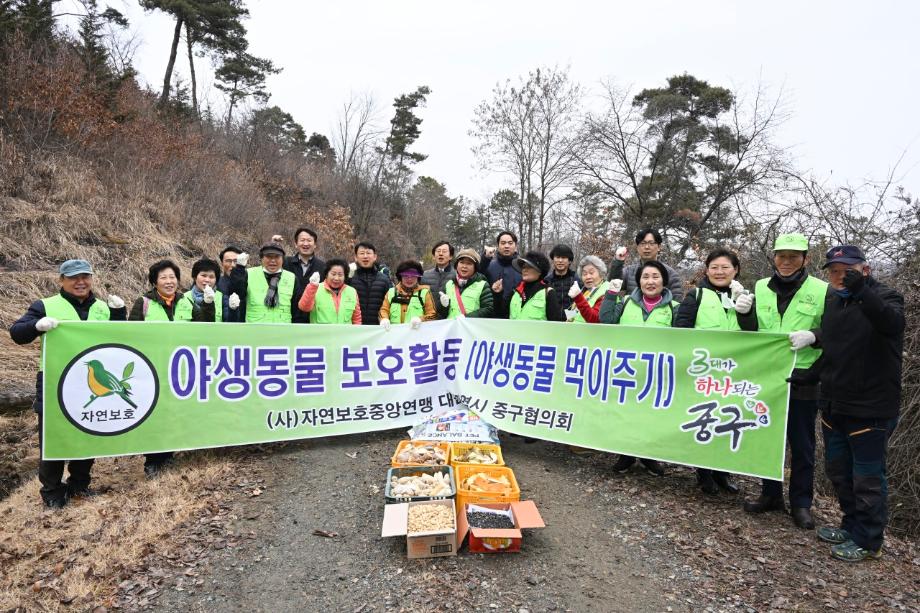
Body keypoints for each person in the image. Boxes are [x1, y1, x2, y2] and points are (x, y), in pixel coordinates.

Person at [806, 245, 903, 562]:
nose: (838, 277)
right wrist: (811, 375)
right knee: (840, 472)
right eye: (833, 271)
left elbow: (891, 323)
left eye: (845, 271)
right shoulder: (834, 302)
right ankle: (850, 525)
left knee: (868, 478)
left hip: (871, 408)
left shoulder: (886, 298)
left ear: (865, 270)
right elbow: (832, 349)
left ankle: (869, 539)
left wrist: (862, 292)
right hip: (835, 404)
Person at [10, 259, 126, 507]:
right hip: (55, 380)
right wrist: (36, 326)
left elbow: (120, 340)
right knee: (53, 436)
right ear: (61, 280)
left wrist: (119, 314)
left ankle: (79, 486)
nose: (80, 282)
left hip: (91, 382)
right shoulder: (45, 306)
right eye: (73, 277)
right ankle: (52, 492)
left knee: (88, 431)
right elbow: (17, 333)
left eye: (85, 276)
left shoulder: (103, 309)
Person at [742, 234, 829, 530]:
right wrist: (744, 315)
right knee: (768, 437)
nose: (787, 262)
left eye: (794, 256)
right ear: (774, 257)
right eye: (782, 256)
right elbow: (754, 332)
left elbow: (836, 330)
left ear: (805, 258)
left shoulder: (821, 290)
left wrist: (815, 336)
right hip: (768, 377)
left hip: (804, 378)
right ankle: (770, 494)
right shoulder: (761, 288)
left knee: (802, 444)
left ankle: (801, 504)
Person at [675, 248, 756, 495]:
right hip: (703, 373)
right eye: (714, 267)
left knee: (727, 421)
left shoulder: (746, 297)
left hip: (734, 374)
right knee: (705, 421)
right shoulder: (696, 295)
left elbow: (754, 332)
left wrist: (746, 311)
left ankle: (723, 473)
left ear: (736, 270)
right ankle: (703, 474)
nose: (719, 272)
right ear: (707, 270)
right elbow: (681, 330)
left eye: (725, 267)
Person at [597, 260, 678, 476]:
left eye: (655, 277)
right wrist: (611, 295)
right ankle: (626, 455)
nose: (650, 282)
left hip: (656, 374)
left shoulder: (674, 308)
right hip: (626, 371)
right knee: (626, 414)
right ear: (638, 281)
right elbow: (606, 320)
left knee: (651, 416)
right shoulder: (625, 302)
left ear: (664, 281)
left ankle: (649, 457)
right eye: (645, 277)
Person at [229, 243, 298, 323]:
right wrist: (239, 268)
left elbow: (296, 310)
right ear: (261, 258)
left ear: (283, 259)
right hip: (255, 330)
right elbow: (237, 293)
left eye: (277, 257)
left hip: (283, 331)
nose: (273, 260)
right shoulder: (249, 274)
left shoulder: (292, 278)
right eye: (269, 257)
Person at [608, 228, 684, 301]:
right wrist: (618, 262)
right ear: (637, 247)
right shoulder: (629, 271)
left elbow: (677, 304)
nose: (647, 247)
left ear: (659, 247)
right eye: (643, 243)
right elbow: (612, 285)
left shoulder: (670, 274)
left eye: (651, 243)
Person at [129, 260, 214, 323]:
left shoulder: (185, 301)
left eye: (172, 277)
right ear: (155, 283)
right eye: (163, 278)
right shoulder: (143, 303)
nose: (169, 281)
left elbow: (204, 325)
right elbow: (132, 331)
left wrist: (208, 303)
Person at [273, 228, 326, 324]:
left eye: (309, 240)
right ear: (296, 244)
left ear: (315, 245)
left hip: (313, 319)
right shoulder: (285, 262)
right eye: (302, 240)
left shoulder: (323, 267)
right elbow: (269, 267)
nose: (305, 244)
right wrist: (274, 246)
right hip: (288, 316)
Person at [505, 251, 566, 322]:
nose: (524, 270)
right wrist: (498, 294)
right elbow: (502, 316)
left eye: (529, 267)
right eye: (523, 267)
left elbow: (556, 324)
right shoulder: (515, 292)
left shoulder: (548, 292)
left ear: (539, 271)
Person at [297, 259, 362, 324]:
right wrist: (312, 286)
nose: (336, 278)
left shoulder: (352, 291)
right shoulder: (315, 288)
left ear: (345, 276)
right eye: (333, 274)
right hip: (321, 333)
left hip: (345, 333)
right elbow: (304, 307)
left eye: (340, 275)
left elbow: (356, 318)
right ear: (326, 274)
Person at [436, 248, 494, 319]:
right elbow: (441, 314)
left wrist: (467, 317)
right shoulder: (449, 284)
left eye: (469, 263)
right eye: (461, 262)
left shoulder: (482, 285)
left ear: (475, 267)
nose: (464, 266)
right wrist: (443, 306)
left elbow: (488, 309)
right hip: (452, 328)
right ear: (456, 265)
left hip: (470, 328)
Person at [379, 260, 438, 329]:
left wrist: (421, 319)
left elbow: (432, 314)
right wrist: (384, 319)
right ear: (400, 277)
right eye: (406, 276)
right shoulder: (392, 292)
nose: (409, 279)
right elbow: (384, 310)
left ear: (418, 277)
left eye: (413, 276)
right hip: (394, 335)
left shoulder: (424, 293)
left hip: (416, 335)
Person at [480, 230, 523, 318]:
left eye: (510, 243)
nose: (506, 246)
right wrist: (485, 258)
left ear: (515, 246)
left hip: (515, 318)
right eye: (503, 243)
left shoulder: (522, 268)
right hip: (491, 317)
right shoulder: (489, 265)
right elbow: (476, 275)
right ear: (498, 246)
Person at [348, 241, 392, 325]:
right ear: (355, 257)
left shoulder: (384, 279)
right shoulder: (349, 278)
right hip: (354, 327)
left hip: (377, 328)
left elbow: (390, 303)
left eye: (368, 253)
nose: (365, 256)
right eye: (362, 253)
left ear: (375, 256)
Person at [178, 258, 225, 322]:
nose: (207, 280)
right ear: (195, 277)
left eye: (211, 277)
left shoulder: (221, 298)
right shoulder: (183, 298)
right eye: (203, 275)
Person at [567, 255, 611, 323]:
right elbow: (574, 313)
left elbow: (595, 319)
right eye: (584, 274)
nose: (588, 277)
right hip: (574, 331)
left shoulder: (608, 292)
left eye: (591, 273)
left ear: (601, 274)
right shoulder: (585, 291)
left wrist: (578, 297)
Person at [545, 244, 581, 310]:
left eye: (564, 257)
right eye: (557, 257)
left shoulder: (577, 281)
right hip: (550, 320)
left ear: (569, 261)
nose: (560, 260)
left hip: (572, 319)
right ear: (553, 259)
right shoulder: (546, 281)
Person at [217, 246, 243, 322]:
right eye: (228, 261)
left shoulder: (250, 281)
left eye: (236, 261)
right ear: (222, 263)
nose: (232, 265)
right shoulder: (215, 283)